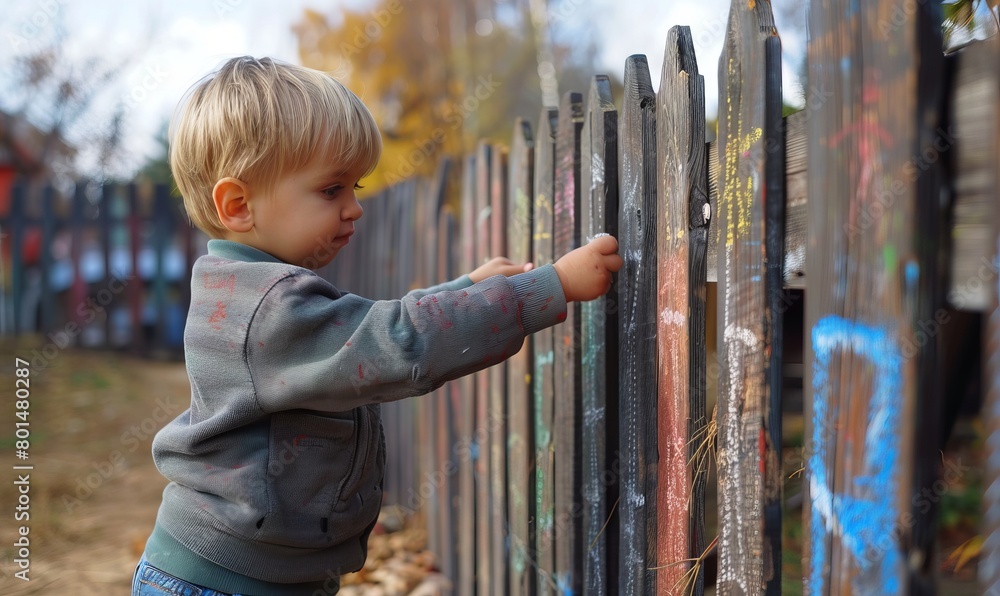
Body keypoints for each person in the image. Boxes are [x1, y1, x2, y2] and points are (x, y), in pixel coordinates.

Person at [133, 56, 622, 595]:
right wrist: (545, 288)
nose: (354, 208)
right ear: (238, 204)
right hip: (226, 583)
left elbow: (367, 329)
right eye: (330, 190)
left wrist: (468, 289)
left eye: (355, 188)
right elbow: (399, 341)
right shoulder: (268, 306)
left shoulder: (249, 289)